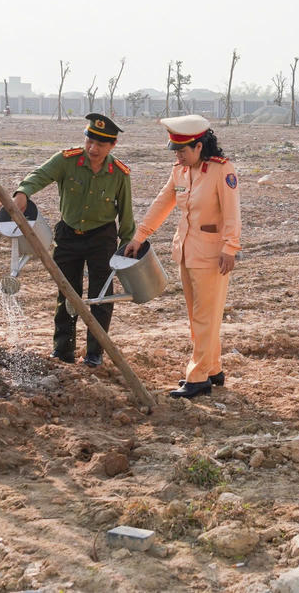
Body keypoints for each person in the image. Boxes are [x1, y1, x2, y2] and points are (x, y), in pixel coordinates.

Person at [126, 115, 240, 399]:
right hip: (187, 252)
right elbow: (163, 203)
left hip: (213, 256)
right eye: (175, 150)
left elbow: (231, 212)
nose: (178, 155)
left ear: (199, 146)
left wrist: (230, 247)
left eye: (183, 150)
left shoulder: (221, 170)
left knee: (205, 316)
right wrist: (140, 236)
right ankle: (212, 368)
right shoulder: (180, 171)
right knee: (198, 317)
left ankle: (198, 377)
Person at [12, 113, 133, 366]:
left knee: (100, 296)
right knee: (67, 292)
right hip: (68, 235)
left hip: (102, 238)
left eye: (100, 144)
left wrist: (129, 245)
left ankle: (94, 353)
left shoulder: (119, 174)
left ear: (112, 146)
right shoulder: (67, 160)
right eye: (89, 141)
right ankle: (63, 349)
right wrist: (23, 192)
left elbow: (127, 215)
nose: (93, 148)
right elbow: (39, 175)